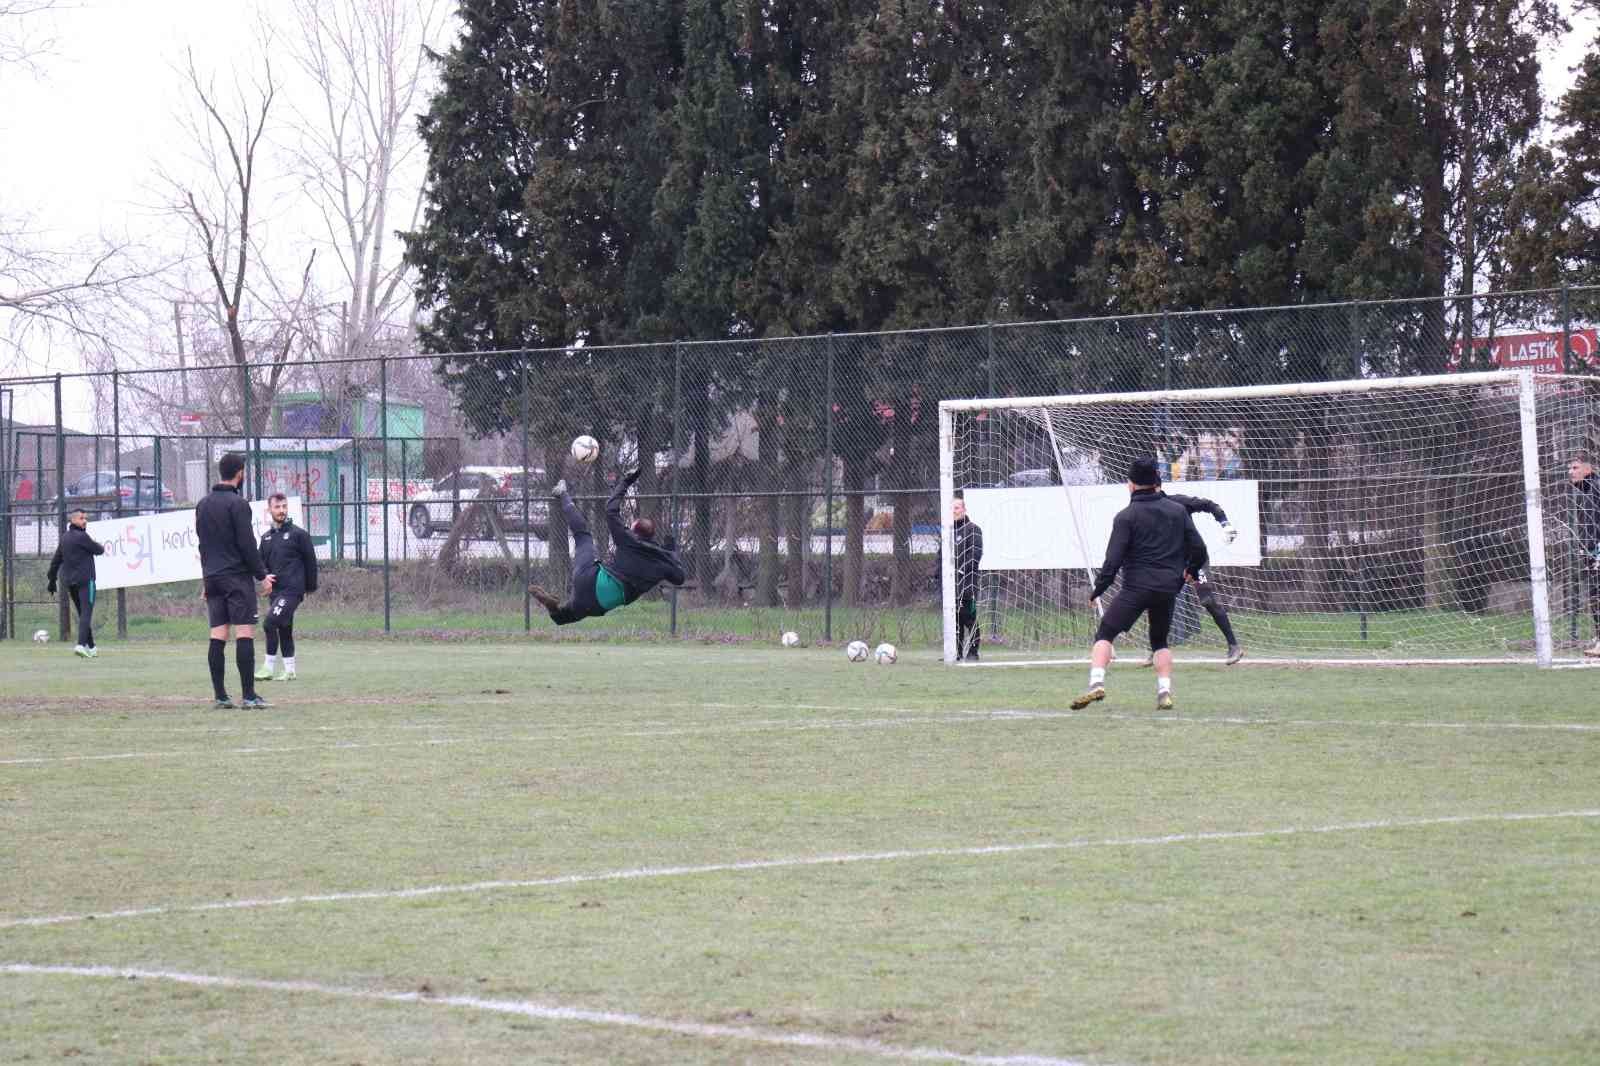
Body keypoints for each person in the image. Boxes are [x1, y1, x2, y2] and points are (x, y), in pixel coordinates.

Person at [1072, 457, 1208, 711]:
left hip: (1136, 588)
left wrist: (1098, 590)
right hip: (1167, 588)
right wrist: (1189, 571)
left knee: (1105, 634)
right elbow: (1200, 549)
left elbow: (1112, 561)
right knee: (1160, 642)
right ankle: (1164, 691)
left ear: (1131, 485)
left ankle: (1096, 683)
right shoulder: (1177, 511)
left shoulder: (1126, 516)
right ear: (1157, 482)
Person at [528, 467, 686, 625]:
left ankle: (562, 493)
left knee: (583, 536)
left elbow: (611, 509)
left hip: (589, 579)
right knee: (563, 618)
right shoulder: (662, 561)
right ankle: (553, 608)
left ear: (634, 531)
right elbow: (679, 578)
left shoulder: (628, 540)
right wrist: (671, 553)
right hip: (599, 605)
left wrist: (626, 482)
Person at [197, 453, 274, 709]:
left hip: (213, 578)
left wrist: (206, 579)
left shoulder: (203, 504)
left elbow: (203, 545)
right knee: (244, 632)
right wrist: (262, 575)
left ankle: (221, 696)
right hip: (236, 578)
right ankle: (249, 696)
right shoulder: (238, 504)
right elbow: (247, 544)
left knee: (218, 635)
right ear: (240, 473)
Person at [1140, 489, 1244, 666]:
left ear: (1157, 488)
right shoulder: (1147, 512)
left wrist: (1225, 523)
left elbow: (1209, 505)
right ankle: (1157, 649)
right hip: (1173, 562)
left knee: (1207, 600)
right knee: (1160, 602)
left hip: (1196, 559)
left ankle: (1234, 646)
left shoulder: (1179, 502)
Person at [255, 492, 318, 682]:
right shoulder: (266, 538)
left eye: (284, 506)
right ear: (269, 510)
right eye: (277, 507)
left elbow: (311, 562)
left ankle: (268, 667)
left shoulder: (299, 535)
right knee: (284, 628)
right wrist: (264, 575)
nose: (281, 510)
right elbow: (259, 563)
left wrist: (309, 587)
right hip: (275, 591)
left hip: (292, 590)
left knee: (269, 623)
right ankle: (290, 670)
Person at [46, 507, 105, 658]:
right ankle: (80, 645)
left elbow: (56, 561)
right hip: (86, 581)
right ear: (72, 520)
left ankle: (92, 647)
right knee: (86, 613)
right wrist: (98, 544)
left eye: (86, 518)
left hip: (70, 583)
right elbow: (99, 550)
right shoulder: (82, 537)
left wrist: (52, 580)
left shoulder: (64, 538)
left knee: (82, 613)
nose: (85, 521)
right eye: (81, 518)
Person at [1570, 454, 1600, 658]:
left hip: (1597, 552)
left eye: (1575, 467)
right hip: (1592, 551)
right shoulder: (1589, 490)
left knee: (1596, 595)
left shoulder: (1596, 487)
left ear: (1588, 469)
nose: (1570, 472)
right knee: (1595, 596)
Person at [952, 496, 985, 660]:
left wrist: (962, 570)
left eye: (957, 508)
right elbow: (941, 556)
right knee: (954, 621)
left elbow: (975, 554)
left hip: (967, 584)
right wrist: (937, 573)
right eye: (951, 508)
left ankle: (973, 652)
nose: (954, 511)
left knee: (969, 618)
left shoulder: (973, 529)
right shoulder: (948, 531)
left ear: (964, 510)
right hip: (950, 585)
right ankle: (955, 653)